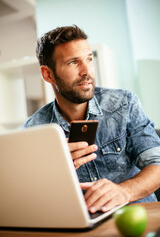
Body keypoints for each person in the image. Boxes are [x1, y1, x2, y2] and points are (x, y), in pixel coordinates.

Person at [24, 25, 160, 213]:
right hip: (83, 226)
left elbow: (157, 164)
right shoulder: (34, 129)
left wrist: (125, 191)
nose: (87, 71)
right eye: (73, 62)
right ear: (48, 74)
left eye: (89, 59)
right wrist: (53, 172)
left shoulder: (124, 103)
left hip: (140, 216)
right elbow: (30, 195)